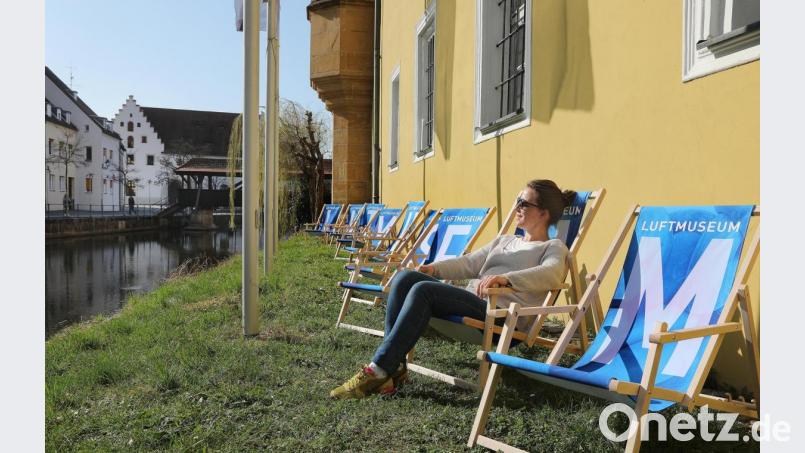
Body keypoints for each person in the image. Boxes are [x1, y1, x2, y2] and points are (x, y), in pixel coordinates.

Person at [330, 179, 576, 399]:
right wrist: (434, 269)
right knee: (406, 278)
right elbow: (469, 263)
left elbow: (552, 273)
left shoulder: (553, 247)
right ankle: (392, 369)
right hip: (474, 301)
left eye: (524, 203)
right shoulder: (505, 241)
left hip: (500, 318)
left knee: (423, 291)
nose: (517, 206)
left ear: (543, 213)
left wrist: (505, 279)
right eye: (517, 200)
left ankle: (378, 369)